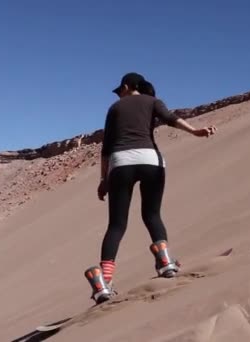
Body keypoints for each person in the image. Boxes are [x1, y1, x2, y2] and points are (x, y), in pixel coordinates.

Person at [88, 72, 216, 303]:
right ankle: (165, 262)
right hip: (150, 161)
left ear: (127, 86)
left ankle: (103, 281)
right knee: (152, 214)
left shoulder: (114, 109)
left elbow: (106, 149)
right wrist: (195, 131)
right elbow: (170, 118)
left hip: (120, 164)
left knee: (117, 225)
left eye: (120, 91)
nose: (119, 95)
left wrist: (103, 180)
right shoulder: (153, 102)